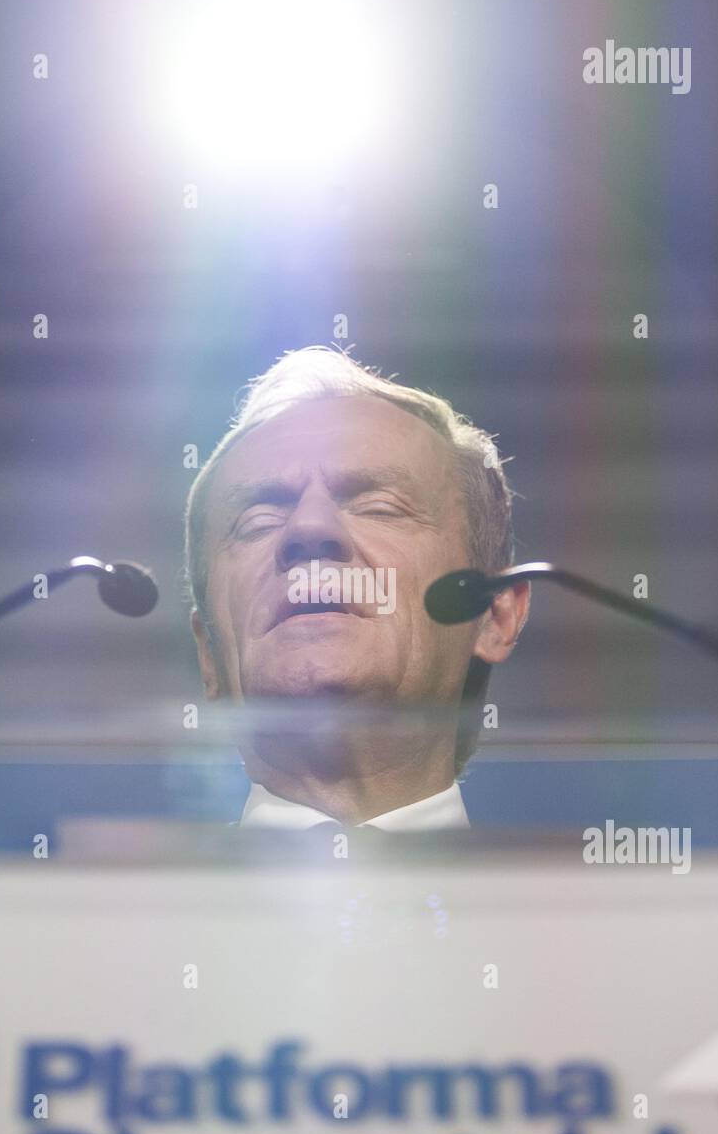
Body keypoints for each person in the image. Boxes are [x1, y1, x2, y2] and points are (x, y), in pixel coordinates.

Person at [184, 347, 529, 830]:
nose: (308, 528)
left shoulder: (609, 902)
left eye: (380, 507)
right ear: (207, 653)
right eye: (258, 520)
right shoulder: (106, 903)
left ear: (494, 615)